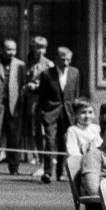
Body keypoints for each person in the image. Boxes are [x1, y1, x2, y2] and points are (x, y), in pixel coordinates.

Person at [34, 47, 82, 184]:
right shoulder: (47, 74)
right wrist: (43, 112)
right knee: (49, 142)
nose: (66, 62)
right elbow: (41, 96)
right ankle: (48, 172)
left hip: (68, 112)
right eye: (62, 59)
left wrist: (75, 111)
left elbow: (76, 94)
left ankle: (61, 173)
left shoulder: (75, 72)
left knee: (64, 143)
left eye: (68, 59)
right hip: (51, 111)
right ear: (56, 59)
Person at [0, 38, 26, 175]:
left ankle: (14, 167)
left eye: (14, 49)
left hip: (14, 106)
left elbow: (23, 85)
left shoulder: (20, 65)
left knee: (14, 137)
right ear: (1, 49)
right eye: (8, 49)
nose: (11, 52)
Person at [20, 37, 54, 170]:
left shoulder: (48, 64)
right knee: (30, 127)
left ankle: (43, 157)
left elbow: (51, 84)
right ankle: (31, 155)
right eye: (38, 47)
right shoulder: (27, 63)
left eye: (43, 47)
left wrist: (36, 85)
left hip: (41, 99)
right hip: (28, 99)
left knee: (40, 129)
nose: (41, 50)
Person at [63, 97, 100, 180]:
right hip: (83, 167)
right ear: (76, 115)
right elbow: (73, 151)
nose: (87, 116)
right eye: (83, 112)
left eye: (90, 112)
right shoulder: (73, 130)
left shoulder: (97, 129)